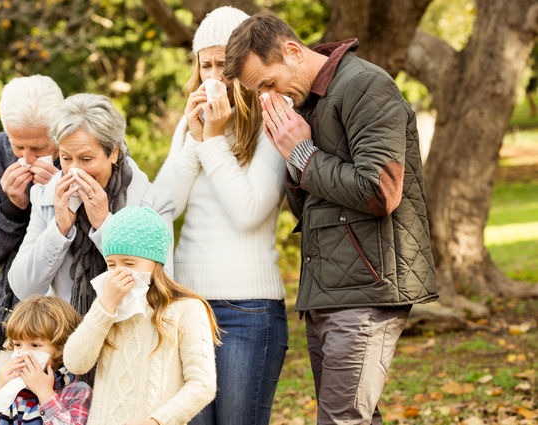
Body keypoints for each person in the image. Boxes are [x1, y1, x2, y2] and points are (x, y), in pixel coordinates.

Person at [224, 13, 438, 424]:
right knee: (351, 417)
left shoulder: (365, 85)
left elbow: (380, 190)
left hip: (367, 290)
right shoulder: (307, 105)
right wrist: (291, 155)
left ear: (290, 50)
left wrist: (301, 154)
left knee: (341, 419)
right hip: (326, 289)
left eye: (268, 83)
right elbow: (312, 209)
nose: (268, 96)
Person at [153, 7, 288, 425]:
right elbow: (161, 208)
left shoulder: (274, 120)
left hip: (248, 308)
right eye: (205, 64)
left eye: (224, 65)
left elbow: (249, 211)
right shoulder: (191, 126)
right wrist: (195, 140)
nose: (214, 76)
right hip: (188, 305)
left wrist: (211, 142)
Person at [7, 93, 174, 317]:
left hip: (127, 339)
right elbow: (23, 288)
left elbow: (162, 290)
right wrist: (59, 228)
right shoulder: (46, 197)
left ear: (113, 152)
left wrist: (105, 224)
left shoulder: (152, 201)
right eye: (66, 159)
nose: (75, 171)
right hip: (66, 340)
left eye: (86, 159)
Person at [62, 206, 219, 425]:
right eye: (111, 264)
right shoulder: (108, 307)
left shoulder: (187, 308)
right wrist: (105, 308)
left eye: (129, 263)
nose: (120, 272)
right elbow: (76, 363)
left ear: (155, 261)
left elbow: (202, 384)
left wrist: (157, 421)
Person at [0, 75, 64, 383]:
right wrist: (12, 209)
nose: (28, 158)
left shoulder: (90, 147)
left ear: (60, 132)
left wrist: (60, 191)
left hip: (82, 324)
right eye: (18, 146)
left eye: (39, 147)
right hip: (19, 330)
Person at [0, 295, 92, 425]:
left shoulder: (76, 393)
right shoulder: (12, 392)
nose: (24, 354)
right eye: (18, 345)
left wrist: (45, 393)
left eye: (35, 345)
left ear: (61, 346)